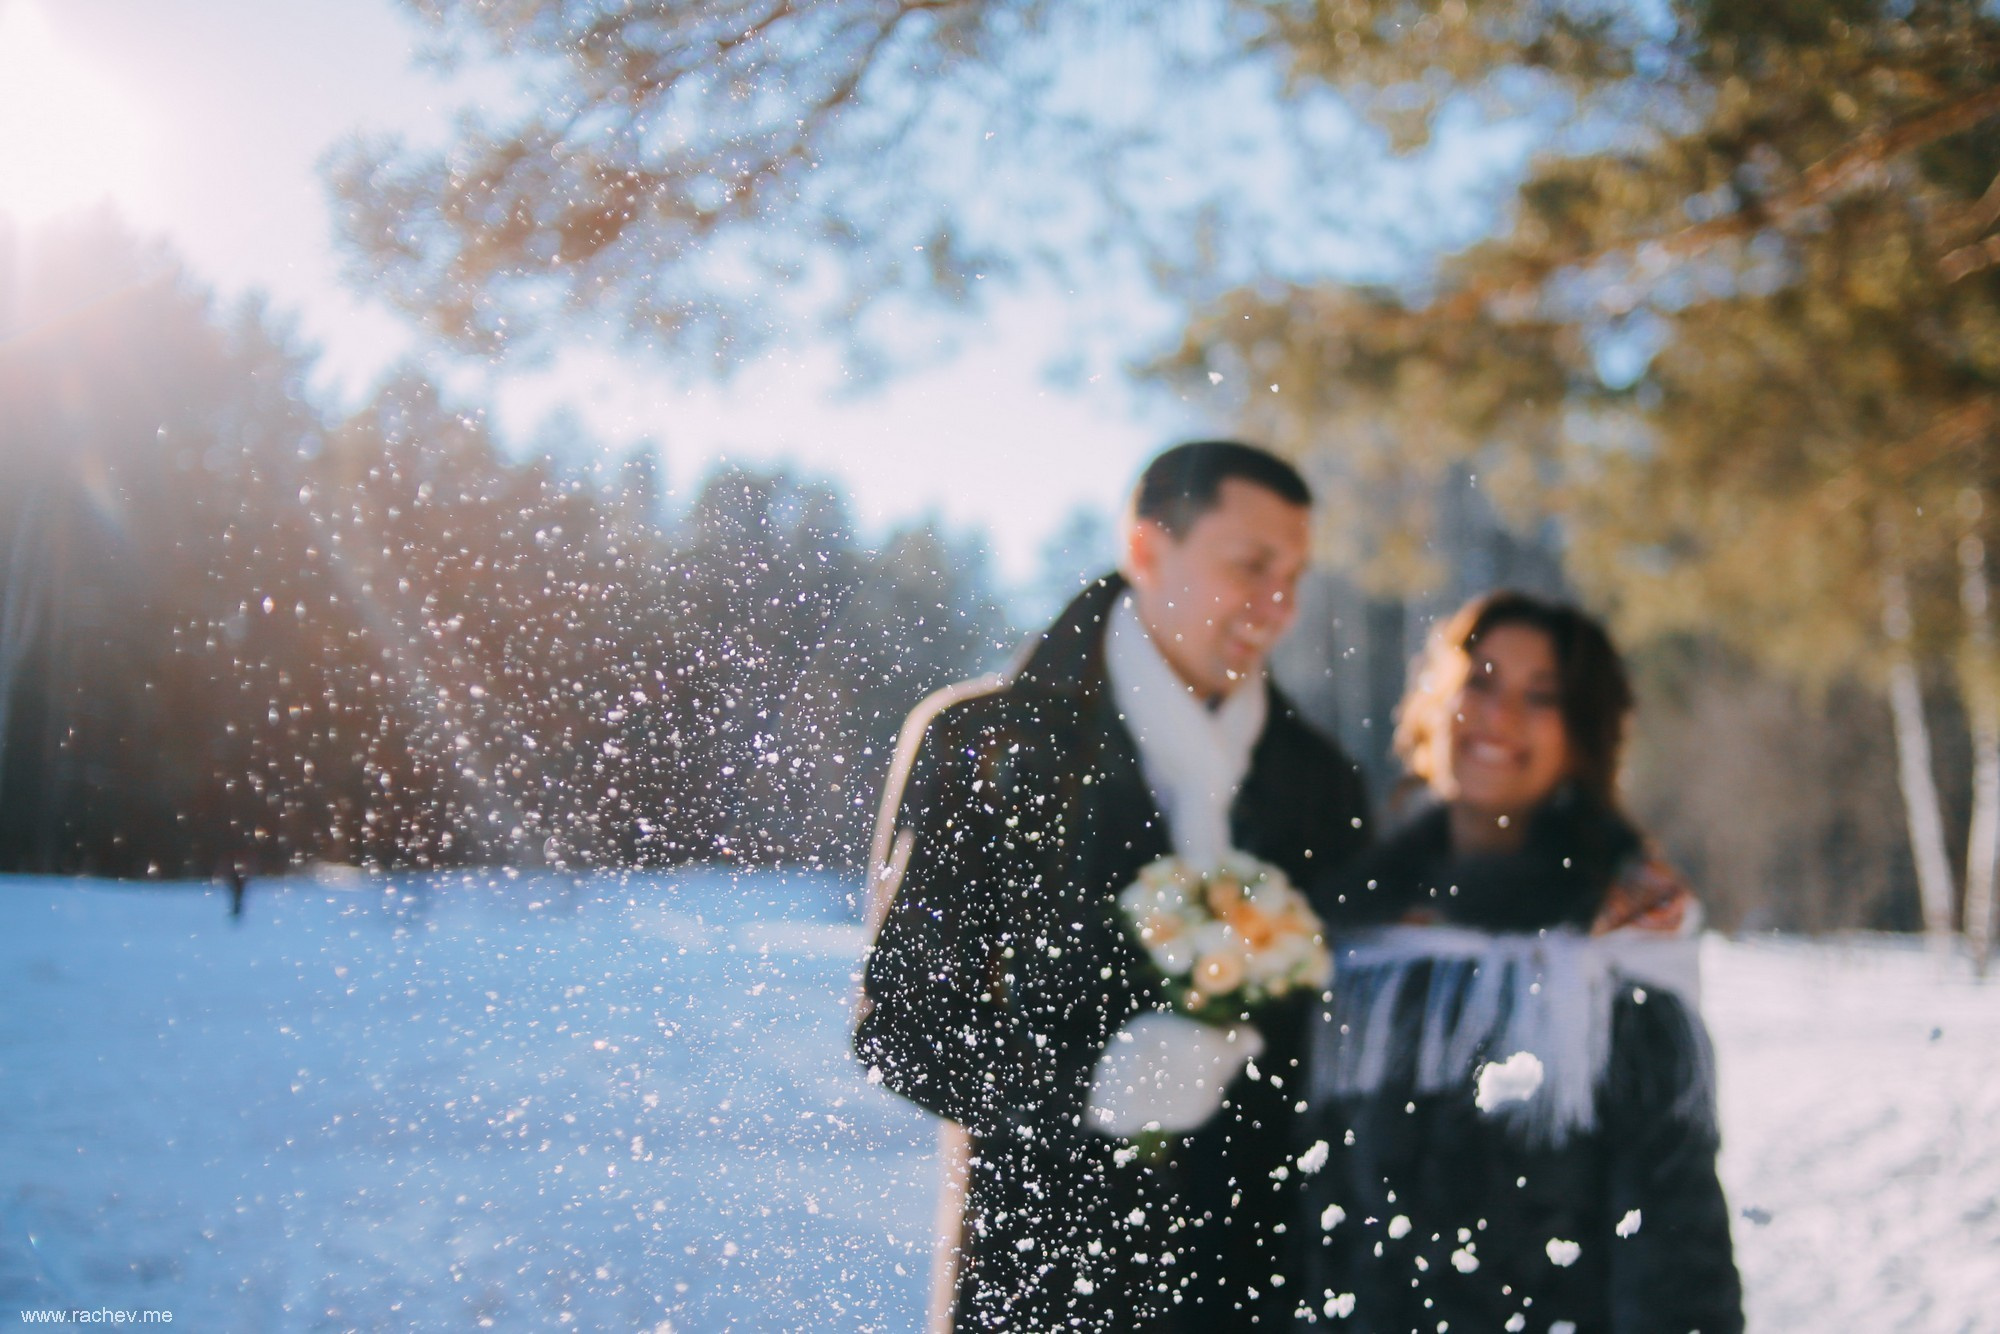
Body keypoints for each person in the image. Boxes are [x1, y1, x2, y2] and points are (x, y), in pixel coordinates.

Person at [854, 442, 1376, 1332]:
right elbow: (901, 1026)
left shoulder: (1315, 782)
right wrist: (1079, 1092)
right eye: (1250, 566)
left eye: (1293, 576)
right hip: (1039, 1287)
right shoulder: (986, 744)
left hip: (1257, 1289)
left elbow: (1367, 988)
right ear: (1147, 550)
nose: (1278, 607)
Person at [1293, 591, 1742, 1332]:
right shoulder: (1353, 924)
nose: (1499, 715)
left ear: (1583, 736)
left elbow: (1673, 1235)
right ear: (1440, 696)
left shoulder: (1620, 938)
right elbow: (1315, 1213)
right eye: (1482, 679)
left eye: (1542, 697)